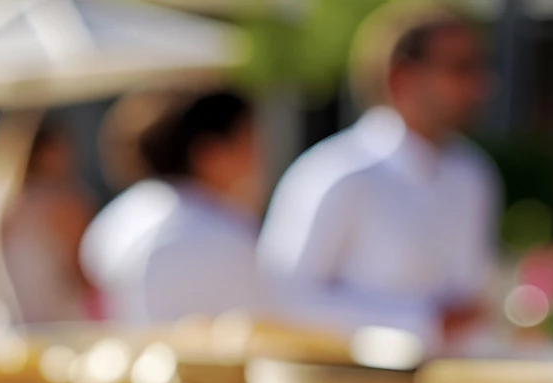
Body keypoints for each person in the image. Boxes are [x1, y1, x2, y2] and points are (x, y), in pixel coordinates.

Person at [257, 2, 497, 347]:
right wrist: (419, 321)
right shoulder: (336, 174)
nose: (479, 86)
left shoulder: (472, 173)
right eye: (461, 68)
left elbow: (470, 301)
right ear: (401, 77)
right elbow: (281, 298)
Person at [81, 91, 263, 324]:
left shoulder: (117, 216)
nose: (255, 159)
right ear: (209, 152)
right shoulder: (220, 231)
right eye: (246, 143)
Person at [0, 115, 94, 326]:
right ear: (47, 151)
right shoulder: (59, 201)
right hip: (58, 325)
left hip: (2, 321)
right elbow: (82, 271)